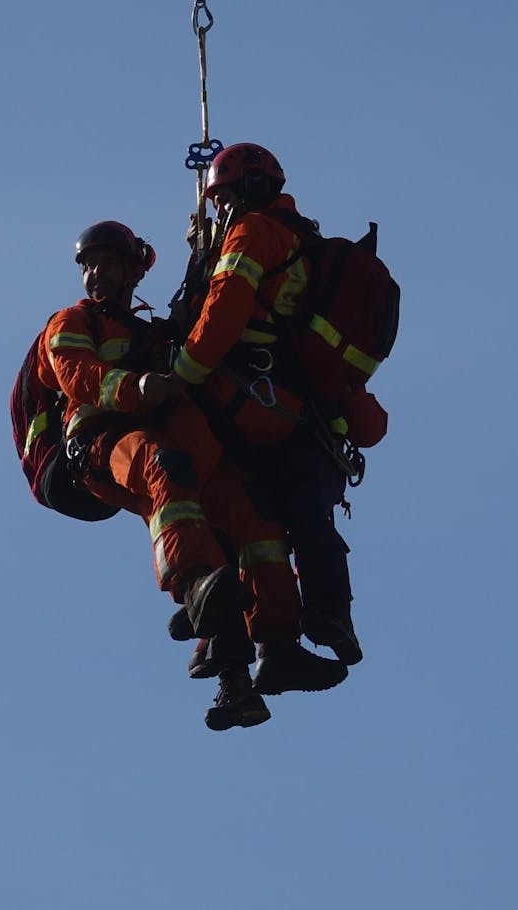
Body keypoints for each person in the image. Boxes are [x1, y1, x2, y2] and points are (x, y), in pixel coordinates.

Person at [30, 220, 346, 730]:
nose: (95, 273)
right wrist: (139, 389)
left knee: (253, 513)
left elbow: (201, 327)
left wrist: (207, 252)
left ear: (134, 269)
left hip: (170, 440)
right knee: (165, 472)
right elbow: (79, 378)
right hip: (104, 444)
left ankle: (275, 646)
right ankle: (193, 584)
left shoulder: (155, 332)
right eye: (88, 264)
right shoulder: (69, 322)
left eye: (106, 262)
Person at [172, 144, 365, 667]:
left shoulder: (252, 233)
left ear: (249, 189)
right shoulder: (304, 238)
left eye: (226, 196)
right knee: (297, 518)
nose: (222, 206)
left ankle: (221, 629)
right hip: (302, 410)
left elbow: (224, 309)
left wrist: (182, 375)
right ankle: (314, 619)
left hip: (252, 400)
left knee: (229, 507)